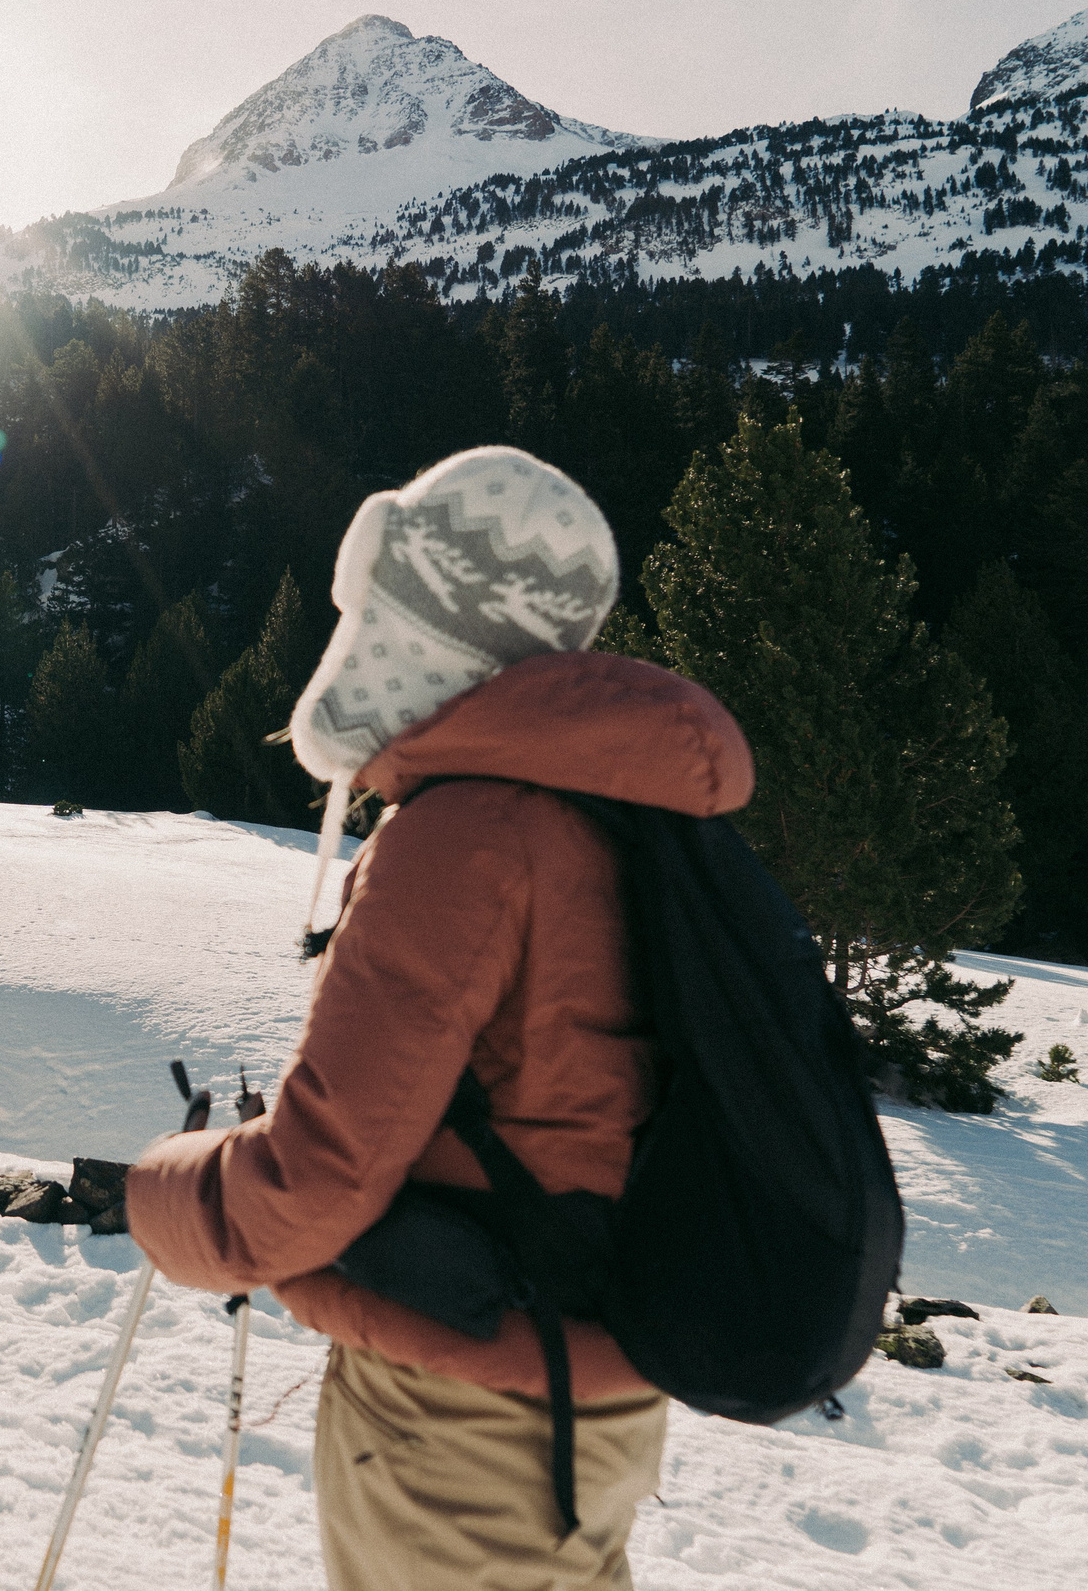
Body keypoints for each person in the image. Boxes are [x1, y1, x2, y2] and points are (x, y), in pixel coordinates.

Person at [127, 446, 754, 1590]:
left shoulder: (466, 835)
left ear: (410, 630)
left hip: (463, 1412)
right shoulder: (617, 815)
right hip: (596, 1388)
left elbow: (322, 1176)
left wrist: (165, 1191)